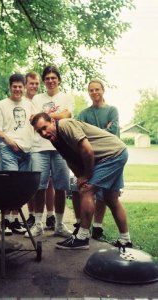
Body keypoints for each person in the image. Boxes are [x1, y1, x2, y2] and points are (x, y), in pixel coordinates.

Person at [31, 113, 132, 249]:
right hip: (115, 154)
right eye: (39, 131)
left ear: (53, 121)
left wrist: (86, 176)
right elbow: (70, 160)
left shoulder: (66, 125)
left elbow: (88, 151)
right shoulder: (54, 138)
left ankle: (82, 238)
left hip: (112, 155)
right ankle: (126, 240)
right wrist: (80, 178)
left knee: (87, 190)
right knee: (110, 199)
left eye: (45, 127)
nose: (43, 133)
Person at [26, 66, 73, 238]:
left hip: (61, 147)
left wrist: (44, 115)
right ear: (44, 81)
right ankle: (38, 224)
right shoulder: (37, 98)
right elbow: (33, 119)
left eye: (54, 77)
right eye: (47, 78)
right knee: (39, 187)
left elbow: (67, 114)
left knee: (61, 187)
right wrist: (53, 115)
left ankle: (59, 225)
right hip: (39, 148)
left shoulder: (66, 97)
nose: (51, 80)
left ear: (58, 79)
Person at [76, 79, 120, 239]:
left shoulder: (112, 111)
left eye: (97, 89)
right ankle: (83, 225)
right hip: (91, 158)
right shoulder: (84, 113)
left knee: (105, 194)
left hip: (111, 156)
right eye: (91, 90)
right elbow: (78, 132)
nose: (94, 92)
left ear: (103, 90)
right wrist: (103, 130)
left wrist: (92, 135)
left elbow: (112, 132)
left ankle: (98, 226)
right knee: (87, 191)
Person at [0, 73, 34, 235]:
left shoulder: (29, 104)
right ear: (10, 87)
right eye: (14, 86)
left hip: (26, 150)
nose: (17, 89)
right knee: (11, 184)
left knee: (21, 186)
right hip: (8, 149)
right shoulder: (2, 104)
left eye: (20, 86)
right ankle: (5, 221)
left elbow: (36, 123)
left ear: (24, 87)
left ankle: (14, 220)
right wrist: (10, 142)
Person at [24, 72, 56, 229]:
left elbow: (42, 119)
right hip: (31, 146)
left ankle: (50, 215)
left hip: (44, 144)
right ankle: (32, 215)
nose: (34, 86)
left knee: (49, 183)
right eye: (31, 83)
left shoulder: (40, 101)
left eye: (37, 83)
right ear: (25, 85)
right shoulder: (24, 102)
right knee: (34, 183)